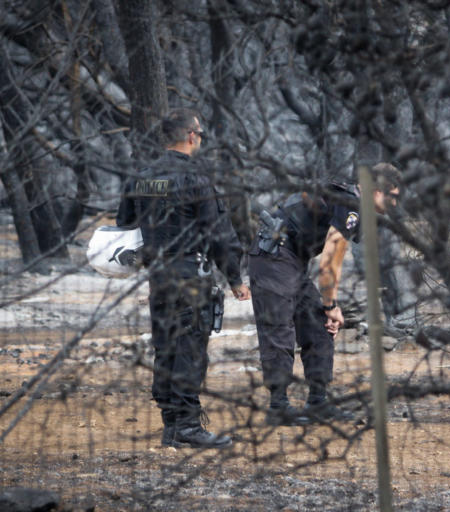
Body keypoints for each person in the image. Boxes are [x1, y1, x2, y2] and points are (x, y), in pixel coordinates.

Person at [117, 108, 251, 448]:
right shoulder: (197, 179)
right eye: (200, 134)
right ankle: (188, 427)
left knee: (166, 346)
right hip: (191, 274)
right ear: (191, 136)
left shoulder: (141, 177)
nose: (201, 139)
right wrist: (235, 277)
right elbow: (220, 234)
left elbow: (124, 223)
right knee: (190, 347)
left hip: (158, 275)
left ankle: (171, 425)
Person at [249, 163, 401, 426]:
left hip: (291, 259)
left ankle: (318, 401)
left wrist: (327, 308)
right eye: (393, 196)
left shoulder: (350, 203)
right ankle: (279, 406)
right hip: (274, 257)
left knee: (319, 324)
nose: (395, 204)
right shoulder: (352, 205)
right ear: (376, 191)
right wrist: (331, 304)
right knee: (279, 328)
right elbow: (330, 261)